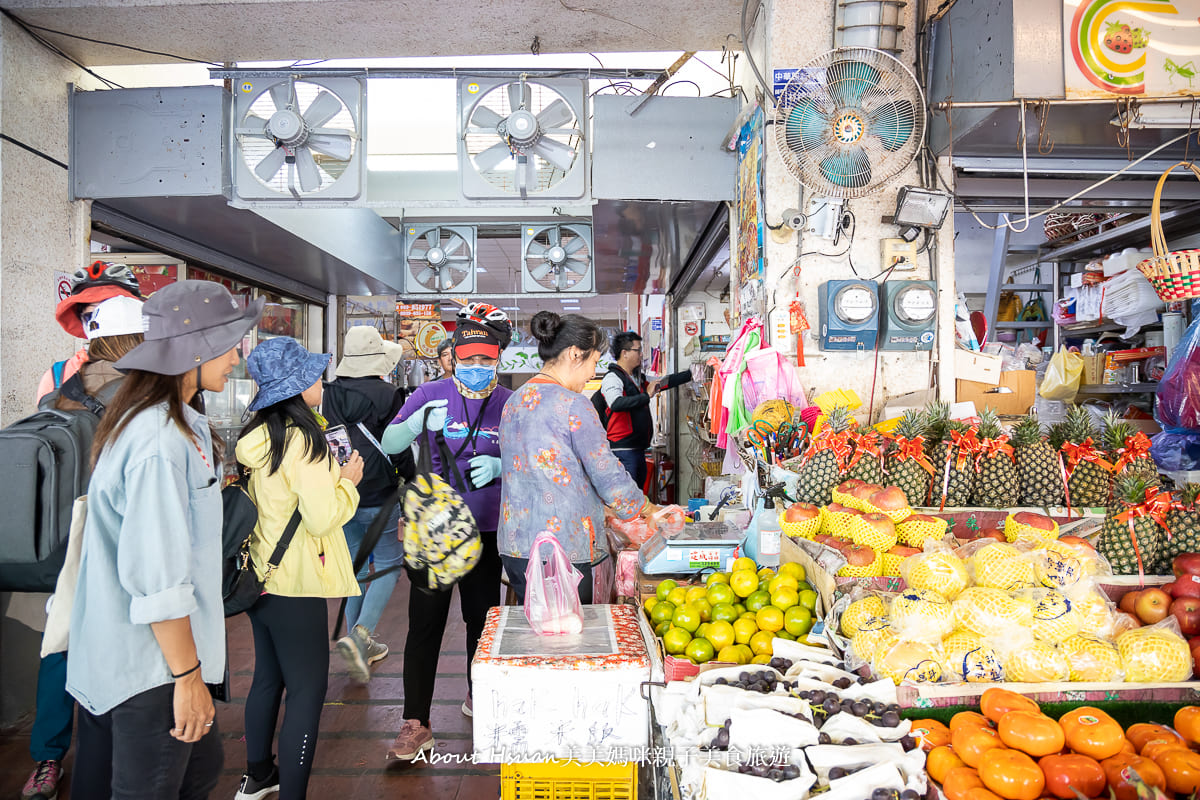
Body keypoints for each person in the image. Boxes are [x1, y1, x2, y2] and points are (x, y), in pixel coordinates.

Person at [66, 280, 264, 800]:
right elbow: (158, 578)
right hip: (149, 670)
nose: (238, 354)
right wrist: (188, 678)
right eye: (228, 342)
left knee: (199, 772)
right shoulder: (157, 441)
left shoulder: (171, 425)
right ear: (192, 351)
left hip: (144, 662)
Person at [24, 292, 145, 800]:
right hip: (115, 531)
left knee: (61, 639)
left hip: (60, 533)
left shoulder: (57, 384)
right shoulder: (141, 390)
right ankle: (120, 750)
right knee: (126, 643)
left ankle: (47, 761)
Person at [234, 336, 364, 800]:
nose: (320, 382)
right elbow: (322, 516)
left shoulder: (254, 437)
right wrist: (348, 483)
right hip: (298, 582)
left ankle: (258, 775)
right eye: (313, 375)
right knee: (307, 692)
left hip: (259, 579)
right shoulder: (303, 442)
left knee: (268, 677)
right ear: (298, 386)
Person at [381, 302, 512, 762]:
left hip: (489, 531)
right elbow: (389, 443)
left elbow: (530, 461)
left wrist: (502, 464)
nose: (477, 368)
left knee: (482, 622)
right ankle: (416, 722)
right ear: (452, 359)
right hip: (434, 532)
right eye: (468, 360)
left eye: (486, 360)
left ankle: (480, 695)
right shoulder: (430, 395)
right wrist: (417, 421)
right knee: (425, 627)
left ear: (498, 360)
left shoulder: (509, 403)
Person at [498, 312, 660, 607]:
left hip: (516, 546)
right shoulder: (574, 405)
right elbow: (607, 474)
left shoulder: (514, 401)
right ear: (574, 354)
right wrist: (648, 509)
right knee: (572, 642)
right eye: (594, 363)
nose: (592, 375)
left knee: (542, 635)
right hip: (566, 549)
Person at [324, 325, 414, 683]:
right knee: (390, 564)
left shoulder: (327, 392)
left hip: (343, 491)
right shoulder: (388, 394)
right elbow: (398, 444)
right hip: (380, 491)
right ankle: (361, 635)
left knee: (357, 568)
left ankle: (359, 641)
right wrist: (413, 477)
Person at [597, 331, 694, 489]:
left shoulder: (637, 379)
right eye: (638, 350)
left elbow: (663, 382)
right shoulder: (613, 378)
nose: (641, 354)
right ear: (625, 353)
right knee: (627, 498)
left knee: (637, 497)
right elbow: (616, 404)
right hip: (622, 451)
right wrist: (646, 395)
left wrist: (691, 374)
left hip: (636, 450)